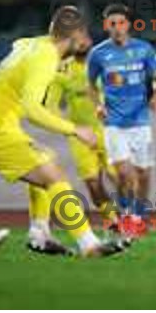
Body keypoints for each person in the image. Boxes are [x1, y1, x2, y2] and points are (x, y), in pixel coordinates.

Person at [0, 5, 124, 257]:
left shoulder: (32, 45)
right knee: (53, 173)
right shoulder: (45, 56)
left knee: (45, 160)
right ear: (74, 36)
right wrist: (75, 130)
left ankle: (40, 234)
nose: (87, 41)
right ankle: (89, 244)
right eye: (84, 35)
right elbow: (32, 109)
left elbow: (19, 45)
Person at [88, 4, 156, 229]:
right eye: (112, 24)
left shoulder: (144, 49)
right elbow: (91, 85)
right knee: (123, 173)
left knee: (143, 174)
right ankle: (126, 214)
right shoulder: (98, 53)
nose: (117, 28)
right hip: (114, 123)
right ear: (106, 26)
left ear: (128, 25)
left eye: (121, 23)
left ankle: (138, 216)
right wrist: (98, 105)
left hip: (140, 122)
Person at [45, 31, 120, 231]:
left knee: (118, 178)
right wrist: (69, 128)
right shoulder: (62, 70)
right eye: (75, 40)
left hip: (108, 129)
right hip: (80, 135)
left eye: (83, 39)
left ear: (91, 41)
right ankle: (113, 219)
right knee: (93, 183)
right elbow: (51, 105)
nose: (80, 43)